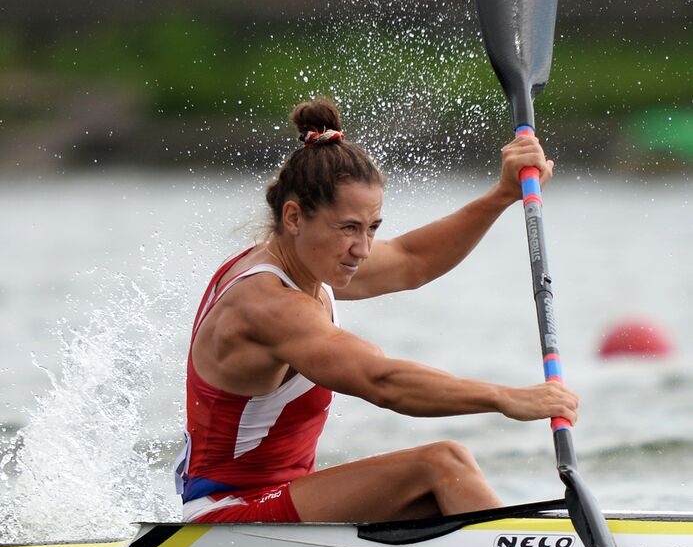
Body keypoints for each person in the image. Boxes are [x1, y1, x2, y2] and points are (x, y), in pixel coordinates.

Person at [174, 98, 578, 525]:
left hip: (276, 501)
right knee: (442, 463)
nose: (362, 249)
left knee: (442, 497)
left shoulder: (307, 260)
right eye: (349, 227)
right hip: (227, 517)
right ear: (293, 217)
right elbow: (379, 381)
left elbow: (411, 259)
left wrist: (501, 196)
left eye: (372, 229)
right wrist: (506, 397)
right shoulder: (265, 304)